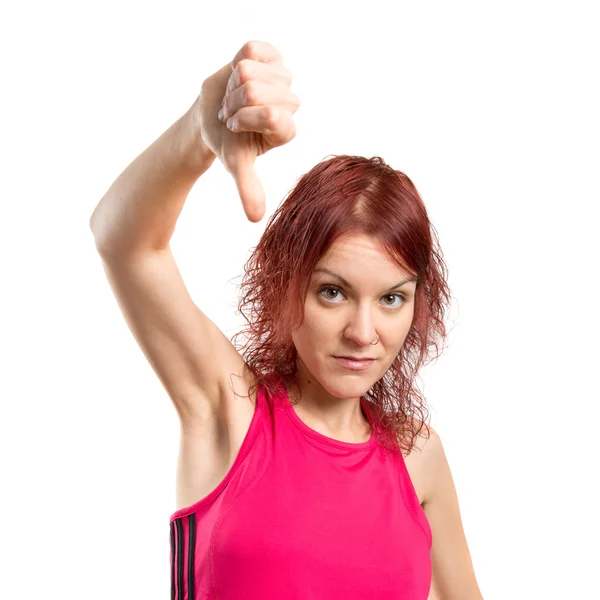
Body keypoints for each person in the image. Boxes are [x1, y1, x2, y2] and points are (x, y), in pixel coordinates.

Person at [90, 40, 483, 600]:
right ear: (285, 284)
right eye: (332, 292)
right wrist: (198, 130)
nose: (363, 333)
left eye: (392, 299)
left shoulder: (418, 457)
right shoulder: (229, 408)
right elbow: (123, 243)